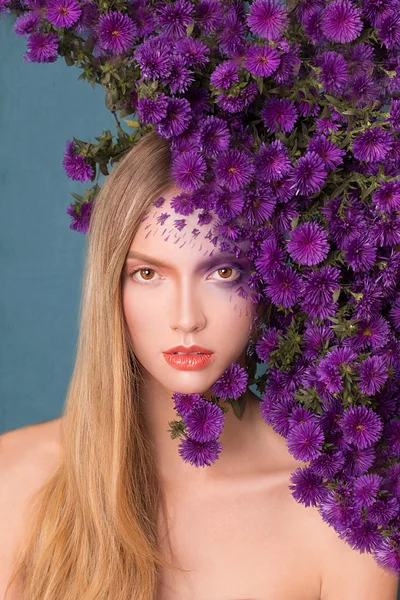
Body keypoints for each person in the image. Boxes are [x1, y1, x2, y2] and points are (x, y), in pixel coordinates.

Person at [0, 131, 398, 600]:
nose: (187, 318)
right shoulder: (14, 480)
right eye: (148, 274)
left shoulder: (344, 516)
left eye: (223, 272)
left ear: (271, 281)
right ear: (111, 288)